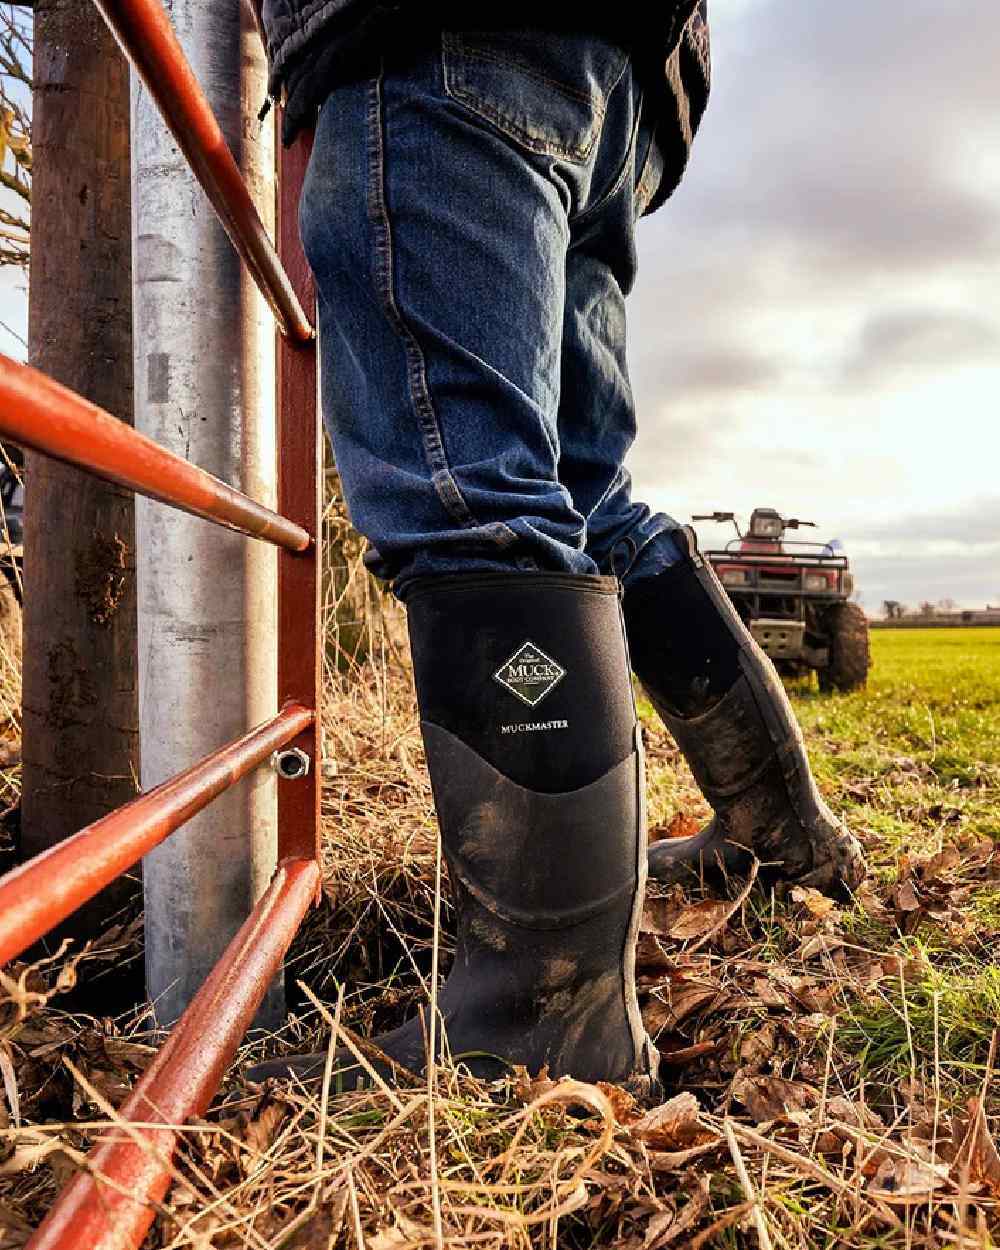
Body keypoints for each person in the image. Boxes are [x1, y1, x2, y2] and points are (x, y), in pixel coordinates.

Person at [248, 2, 865, 1094]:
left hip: (433, 34)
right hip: (630, 75)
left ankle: (542, 1019)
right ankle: (779, 829)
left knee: (467, 492)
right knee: (588, 495)